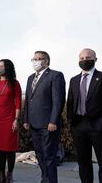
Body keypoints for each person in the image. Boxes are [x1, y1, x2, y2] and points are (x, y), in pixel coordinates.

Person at [67, 48, 102, 183]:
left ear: (95, 59)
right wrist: (70, 123)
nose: (84, 60)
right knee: (83, 163)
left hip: (99, 126)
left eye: (88, 57)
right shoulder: (74, 80)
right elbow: (70, 103)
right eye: (81, 58)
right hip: (79, 126)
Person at [23, 51, 65, 183]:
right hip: (34, 123)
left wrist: (53, 121)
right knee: (39, 154)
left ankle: (51, 180)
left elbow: (58, 100)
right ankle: (45, 178)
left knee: (49, 156)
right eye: (33, 59)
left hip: (48, 124)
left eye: (39, 59)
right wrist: (25, 119)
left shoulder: (55, 75)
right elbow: (29, 100)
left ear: (46, 61)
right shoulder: (31, 78)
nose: (35, 61)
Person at [0, 59, 22, 183]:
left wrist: (16, 120)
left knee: (10, 149)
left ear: (7, 67)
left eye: (1, 66)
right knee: (0, 150)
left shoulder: (15, 83)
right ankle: (1, 175)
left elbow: (18, 102)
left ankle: (10, 174)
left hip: (9, 119)